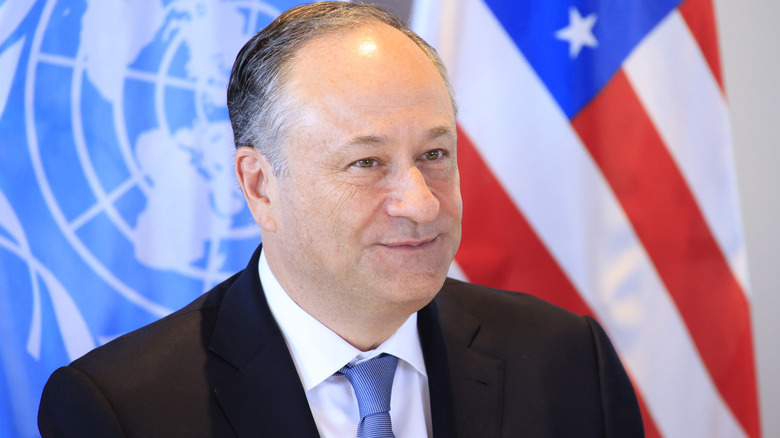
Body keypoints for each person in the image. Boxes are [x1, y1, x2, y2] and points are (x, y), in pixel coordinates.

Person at [38, 2, 644, 437]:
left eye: (434, 155)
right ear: (259, 185)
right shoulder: (119, 409)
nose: (421, 203)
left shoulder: (568, 360)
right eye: (366, 162)